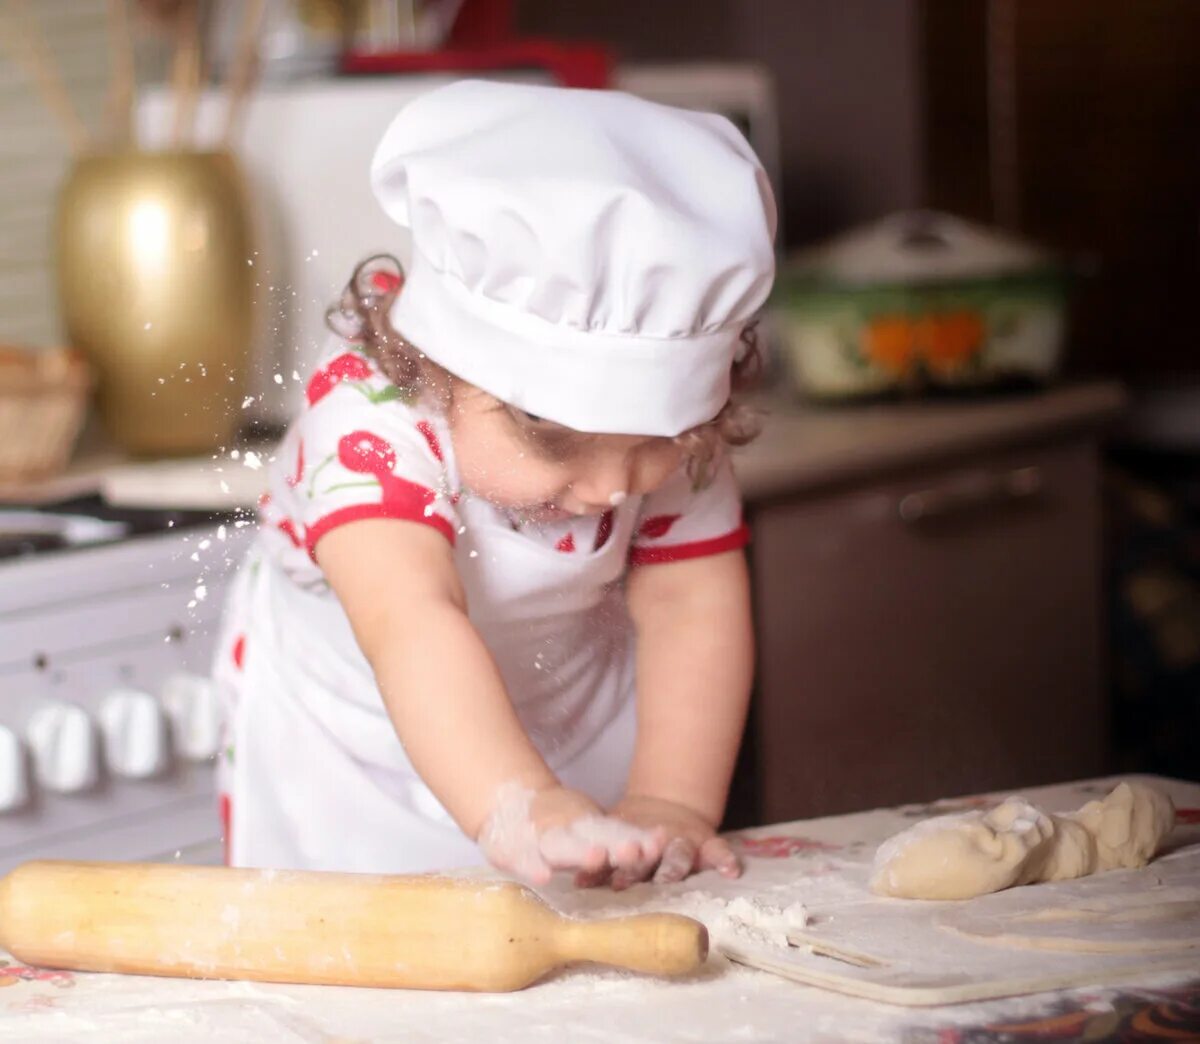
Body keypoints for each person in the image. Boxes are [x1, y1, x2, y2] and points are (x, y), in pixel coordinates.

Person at [213, 79, 776, 889]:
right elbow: (413, 620)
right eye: (561, 446)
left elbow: (693, 607)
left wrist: (670, 798)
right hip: (348, 748)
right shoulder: (367, 428)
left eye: (654, 444)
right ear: (445, 371)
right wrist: (518, 801)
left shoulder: (677, 445)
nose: (613, 487)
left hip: (572, 724)